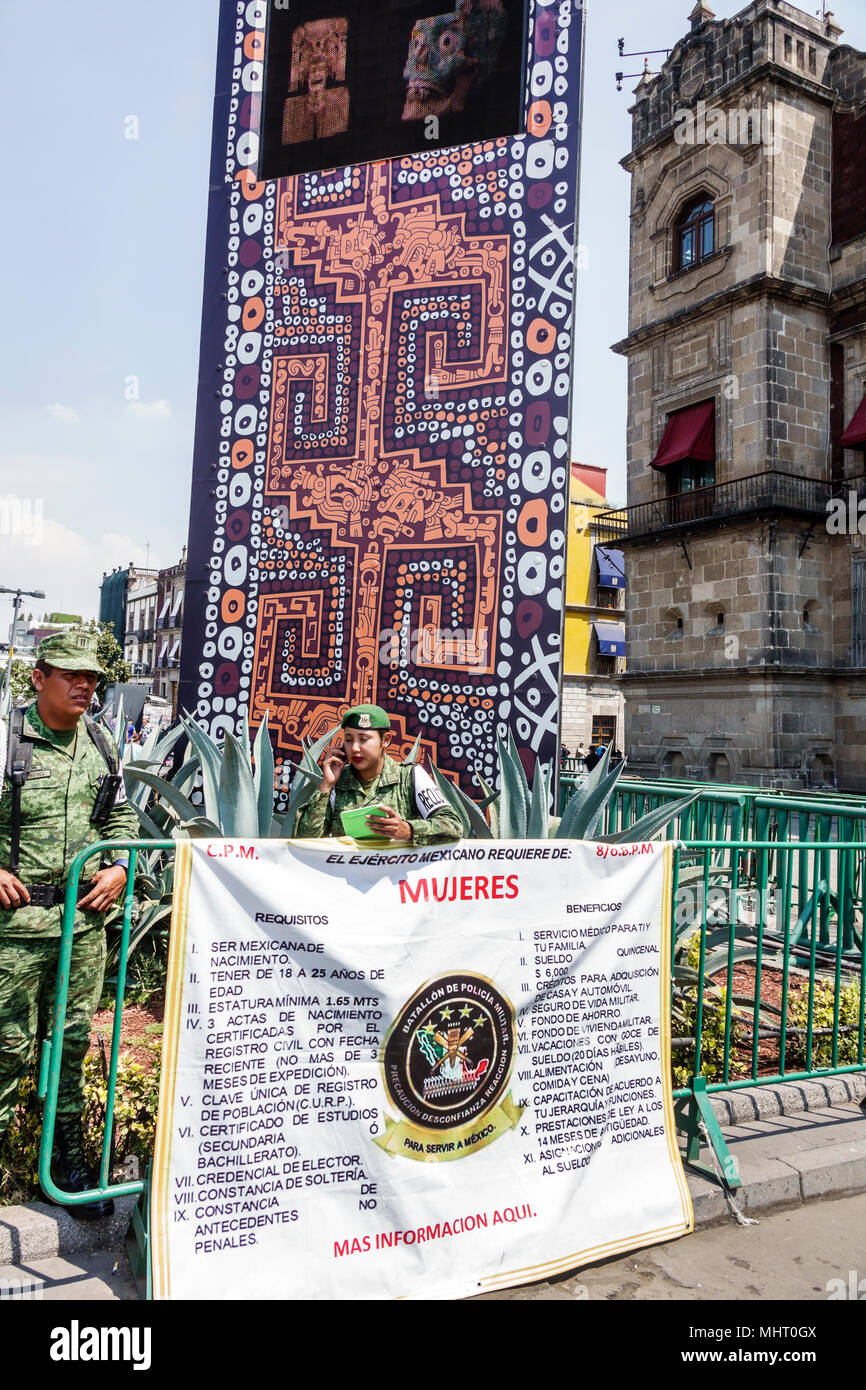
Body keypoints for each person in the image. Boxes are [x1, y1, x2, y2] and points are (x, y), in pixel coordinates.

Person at [0, 630, 139, 1220]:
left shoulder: (103, 745)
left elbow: (124, 817)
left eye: (92, 679)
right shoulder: (8, 742)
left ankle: (65, 1167)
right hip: (15, 931)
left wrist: (119, 866)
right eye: (72, 676)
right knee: (6, 1049)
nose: (85, 686)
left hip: (82, 930)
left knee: (71, 1046)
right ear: (39, 678)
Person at [296, 704, 462, 845]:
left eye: (364, 739)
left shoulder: (410, 776)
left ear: (386, 740)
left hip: (397, 879)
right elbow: (306, 841)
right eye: (348, 739)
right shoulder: (336, 783)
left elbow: (453, 825)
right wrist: (326, 785)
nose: (354, 748)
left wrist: (408, 830)